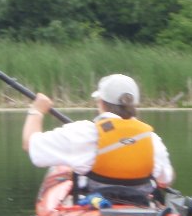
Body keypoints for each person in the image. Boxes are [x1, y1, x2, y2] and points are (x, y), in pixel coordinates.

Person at [22, 74, 174, 203]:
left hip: (93, 206)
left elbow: (30, 144)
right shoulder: (152, 139)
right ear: (134, 104)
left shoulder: (84, 132)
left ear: (101, 103)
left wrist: (37, 111)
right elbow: (166, 179)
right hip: (141, 208)